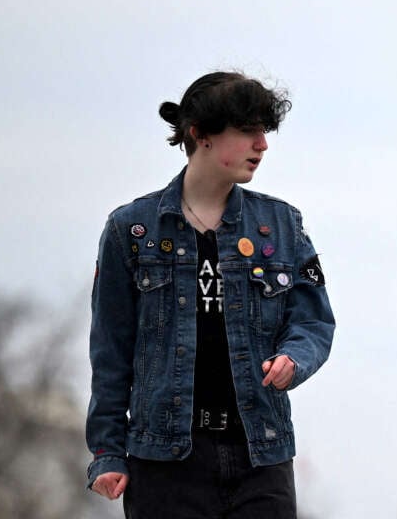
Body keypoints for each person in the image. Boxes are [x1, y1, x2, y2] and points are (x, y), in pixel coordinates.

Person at [86, 71, 336, 518]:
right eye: (247, 131)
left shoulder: (283, 225)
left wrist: (294, 358)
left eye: (265, 131)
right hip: (164, 462)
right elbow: (110, 349)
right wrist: (108, 450)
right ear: (200, 135)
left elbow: (313, 321)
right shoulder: (131, 230)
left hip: (262, 453)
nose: (262, 144)